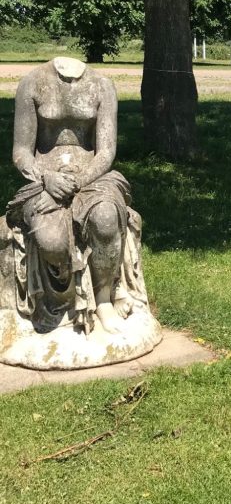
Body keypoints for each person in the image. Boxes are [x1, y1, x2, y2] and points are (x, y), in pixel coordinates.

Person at [7, 57, 139, 335]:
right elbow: (20, 151)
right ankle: (65, 305)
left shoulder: (102, 85)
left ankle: (103, 300)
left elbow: (106, 152)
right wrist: (46, 178)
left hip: (92, 175)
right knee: (51, 242)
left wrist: (79, 180)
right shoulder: (32, 83)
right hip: (45, 178)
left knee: (105, 219)